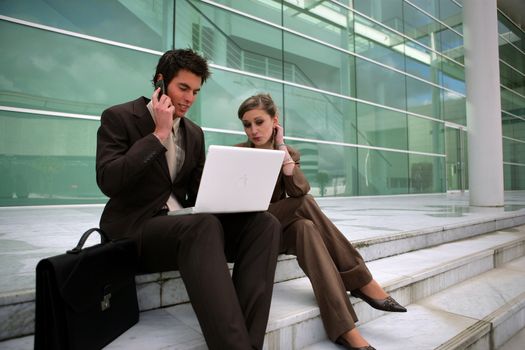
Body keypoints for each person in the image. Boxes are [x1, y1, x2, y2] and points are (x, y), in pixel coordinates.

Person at [96, 50, 281, 350]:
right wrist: (159, 134)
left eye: (195, 91)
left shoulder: (195, 133)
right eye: (183, 88)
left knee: (265, 224)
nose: (189, 98)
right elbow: (108, 180)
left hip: (185, 229)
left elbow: (199, 194)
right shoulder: (119, 118)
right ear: (160, 82)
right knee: (202, 226)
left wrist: (235, 195)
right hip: (136, 229)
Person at [236, 93, 407, 350]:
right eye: (247, 124)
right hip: (251, 229)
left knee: (306, 228)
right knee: (305, 204)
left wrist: (282, 150)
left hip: (278, 230)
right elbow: (300, 198)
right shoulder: (236, 153)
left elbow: (299, 187)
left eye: (259, 122)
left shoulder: (288, 153)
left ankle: (344, 329)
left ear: (275, 121)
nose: (253, 130)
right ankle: (361, 281)